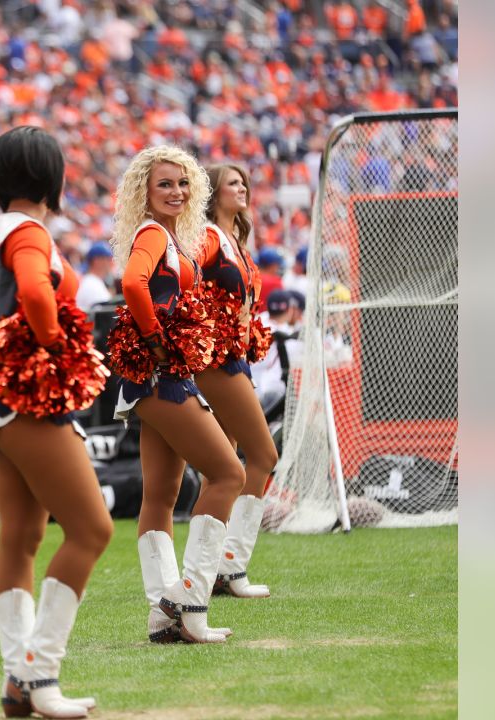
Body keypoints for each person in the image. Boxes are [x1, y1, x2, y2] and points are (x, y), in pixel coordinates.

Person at [0, 126, 113, 718]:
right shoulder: (28, 231)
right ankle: (38, 673)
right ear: (51, 176)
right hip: (30, 399)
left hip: (5, 401)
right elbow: (34, 291)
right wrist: (58, 345)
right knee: (91, 529)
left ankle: (16, 681)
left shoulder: (1, 230)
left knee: (22, 537)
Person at [108, 145, 246, 645]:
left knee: (161, 495)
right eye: (164, 183)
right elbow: (132, 283)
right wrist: (156, 341)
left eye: (183, 183)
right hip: (159, 377)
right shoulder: (151, 233)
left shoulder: (172, 235)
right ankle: (189, 600)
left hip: (154, 378)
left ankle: (162, 613)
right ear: (144, 190)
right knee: (229, 471)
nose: (176, 192)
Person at [194, 164, 280, 599]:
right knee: (263, 454)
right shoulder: (207, 236)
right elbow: (188, 287)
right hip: (218, 362)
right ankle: (231, 566)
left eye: (245, 181)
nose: (242, 188)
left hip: (236, 358)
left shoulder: (237, 240)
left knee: (221, 466)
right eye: (232, 183)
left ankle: (208, 570)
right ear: (213, 192)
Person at [252, 289, 305, 412]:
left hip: (244, 384)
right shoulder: (286, 335)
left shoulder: (256, 320)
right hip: (267, 390)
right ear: (289, 310)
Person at [74, 241, 115, 312]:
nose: (112, 262)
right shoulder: (92, 284)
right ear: (97, 261)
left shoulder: (93, 281)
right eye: (108, 259)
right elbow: (103, 318)